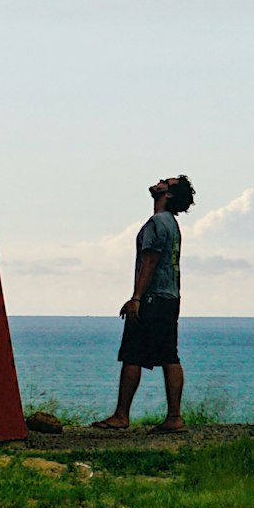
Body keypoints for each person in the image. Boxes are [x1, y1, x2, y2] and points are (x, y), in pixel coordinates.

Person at [95, 173, 195, 432]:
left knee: (132, 354)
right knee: (169, 354)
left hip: (153, 297)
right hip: (170, 297)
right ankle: (174, 417)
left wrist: (136, 297)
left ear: (168, 194)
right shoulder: (172, 224)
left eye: (166, 182)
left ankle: (121, 415)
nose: (160, 181)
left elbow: (150, 260)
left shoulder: (156, 222)